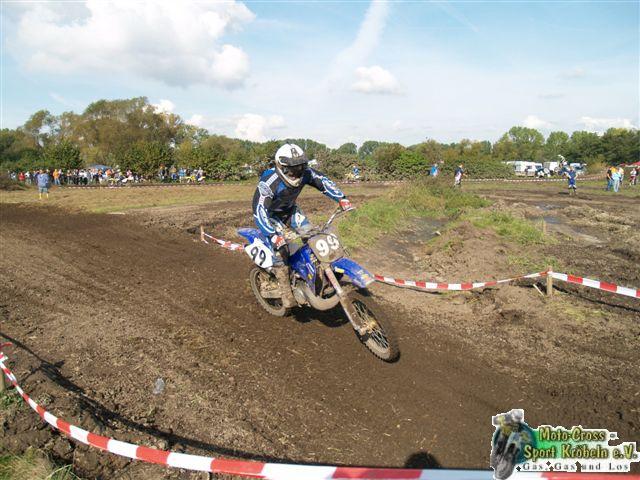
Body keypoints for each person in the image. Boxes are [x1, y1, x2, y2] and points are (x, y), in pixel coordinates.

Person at [252, 143, 352, 307]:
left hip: (291, 211)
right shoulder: (269, 182)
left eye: (300, 167)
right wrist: (273, 235)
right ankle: (286, 293)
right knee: (281, 250)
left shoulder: (306, 173)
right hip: (271, 217)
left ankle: (315, 277)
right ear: (281, 167)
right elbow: (259, 210)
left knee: (313, 237)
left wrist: (341, 198)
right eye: (292, 169)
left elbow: (323, 181)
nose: (296, 172)